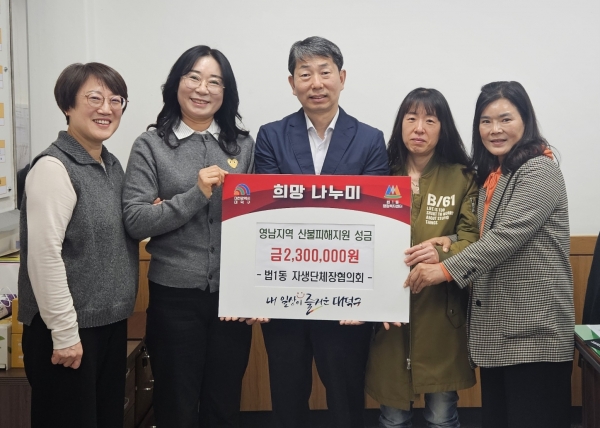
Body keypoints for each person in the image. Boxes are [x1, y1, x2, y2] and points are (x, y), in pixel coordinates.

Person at [406, 81, 574, 428]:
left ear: (525, 120)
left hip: (534, 333)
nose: (495, 129)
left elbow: (507, 236)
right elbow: (486, 231)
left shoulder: (539, 170)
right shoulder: (496, 174)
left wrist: (445, 270)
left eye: (505, 119)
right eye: (486, 121)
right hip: (499, 332)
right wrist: (450, 240)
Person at [254, 36, 389, 428]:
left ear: (342, 78)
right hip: (285, 292)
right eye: (305, 74)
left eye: (324, 72)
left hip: (346, 297)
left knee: (346, 399)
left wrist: (367, 299)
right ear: (292, 83)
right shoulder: (271, 136)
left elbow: (374, 223)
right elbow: (268, 218)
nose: (316, 83)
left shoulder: (370, 139)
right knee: (287, 397)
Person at [122, 45, 254, 428]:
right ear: (176, 84)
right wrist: (195, 195)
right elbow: (136, 220)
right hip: (174, 298)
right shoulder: (151, 146)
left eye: (214, 82)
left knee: (224, 404)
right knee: (175, 406)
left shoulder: (243, 147)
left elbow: (256, 225)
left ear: (226, 92)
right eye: (193, 77)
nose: (202, 88)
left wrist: (253, 290)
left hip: (231, 299)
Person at [18, 62, 138, 427]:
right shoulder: (53, 168)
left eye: (115, 100)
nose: (106, 108)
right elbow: (44, 257)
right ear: (67, 105)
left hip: (108, 324)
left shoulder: (110, 165)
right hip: (68, 332)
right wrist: (65, 333)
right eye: (94, 98)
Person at [365, 88, 478, 428]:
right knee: (392, 417)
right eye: (411, 118)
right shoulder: (379, 173)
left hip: (441, 311)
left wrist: (442, 250)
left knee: (442, 416)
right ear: (400, 124)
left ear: (443, 128)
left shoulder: (462, 176)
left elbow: (475, 239)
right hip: (389, 315)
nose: (419, 128)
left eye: (430, 120)